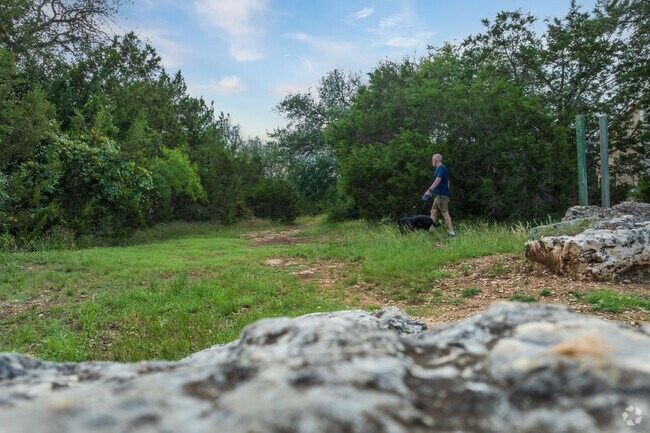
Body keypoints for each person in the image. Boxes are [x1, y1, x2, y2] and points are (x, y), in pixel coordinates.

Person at [422, 154, 455, 237]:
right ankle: (430, 232)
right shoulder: (441, 169)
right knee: (433, 212)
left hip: (441, 195)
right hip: (438, 195)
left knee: (445, 213)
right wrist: (446, 194)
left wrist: (429, 191)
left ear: (436, 160)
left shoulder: (441, 168)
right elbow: (447, 182)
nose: (432, 161)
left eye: (432, 160)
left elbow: (438, 180)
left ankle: (452, 233)